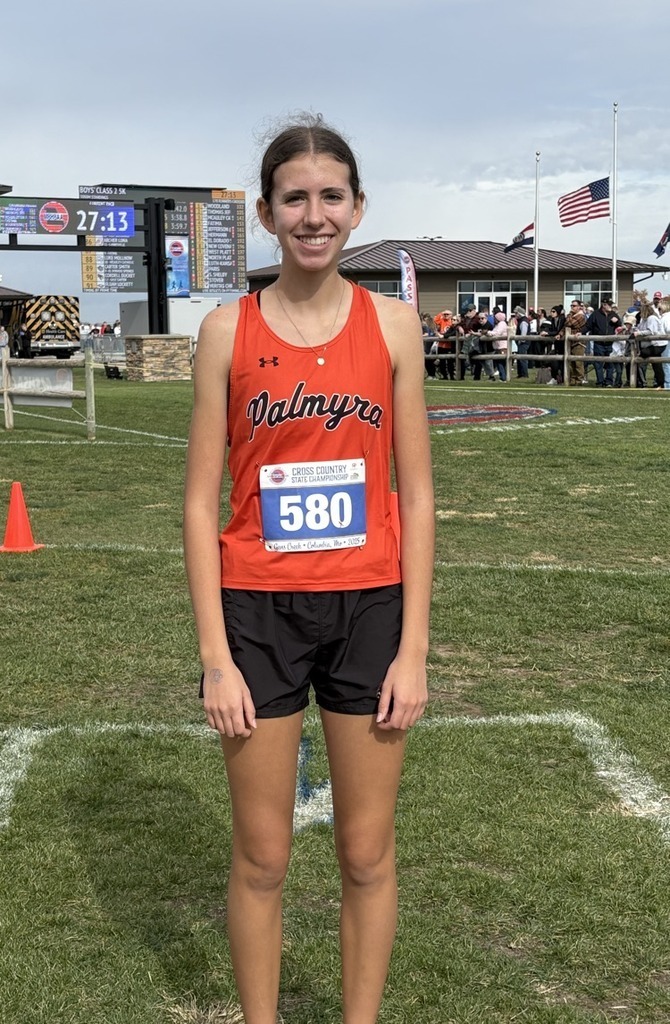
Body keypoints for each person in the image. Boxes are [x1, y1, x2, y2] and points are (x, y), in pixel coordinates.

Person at [183, 114, 435, 1024]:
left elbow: (418, 497)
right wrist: (217, 656)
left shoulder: (395, 326)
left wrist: (413, 649)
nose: (314, 215)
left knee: (367, 854)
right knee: (263, 857)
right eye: (296, 198)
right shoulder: (225, 331)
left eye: (332, 197)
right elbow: (197, 505)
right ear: (265, 212)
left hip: (371, 608)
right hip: (259, 615)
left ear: (358, 208)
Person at [583, 296, 621, 387]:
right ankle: (600, 382)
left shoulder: (614, 315)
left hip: (610, 343)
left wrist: (617, 322)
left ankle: (608, 382)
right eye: (609, 305)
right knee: (598, 363)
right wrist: (580, 333)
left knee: (610, 363)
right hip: (598, 343)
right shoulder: (595, 314)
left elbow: (620, 326)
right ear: (604, 305)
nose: (611, 307)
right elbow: (588, 326)